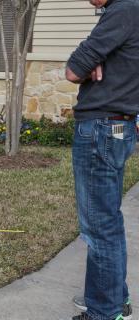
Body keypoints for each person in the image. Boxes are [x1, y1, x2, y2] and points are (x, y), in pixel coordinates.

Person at [65, 0, 139, 319]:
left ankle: (104, 313)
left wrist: (90, 62)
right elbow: (82, 66)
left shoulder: (124, 10)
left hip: (100, 129)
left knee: (98, 226)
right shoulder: (126, 13)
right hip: (117, 127)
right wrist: (94, 60)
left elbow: (71, 70)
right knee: (107, 221)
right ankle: (114, 300)